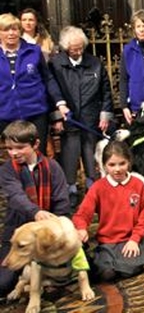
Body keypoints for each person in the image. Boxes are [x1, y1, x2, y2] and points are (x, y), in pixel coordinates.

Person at [0, 120, 70, 295]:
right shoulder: (7, 170)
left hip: (47, 234)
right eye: (9, 148)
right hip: (18, 231)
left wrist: (57, 228)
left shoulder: (53, 167)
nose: (13, 153)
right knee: (3, 284)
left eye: (20, 147)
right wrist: (36, 212)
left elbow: (62, 204)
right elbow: (16, 196)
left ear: (36, 144)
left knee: (70, 273)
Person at [49, 26, 113, 205]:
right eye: (73, 49)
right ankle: (70, 188)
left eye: (80, 48)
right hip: (68, 118)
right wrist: (56, 118)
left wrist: (104, 115)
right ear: (65, 47)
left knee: (90, 151)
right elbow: (51, 92)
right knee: (70, 152)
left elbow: (106, 91)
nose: (77, 52)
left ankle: (93, 186)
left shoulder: (95, 63)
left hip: (91, 118)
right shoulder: (55, 64)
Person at [72, 140, 144, 282]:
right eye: (112, 165)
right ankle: (103, 260)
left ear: (129, 162)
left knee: (129, 270)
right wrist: (81, 228)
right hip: (107, 242)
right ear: (104, 166)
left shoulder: (138, 185)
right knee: (106, 274)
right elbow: (83, 213)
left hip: (130, 239)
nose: (117, 169)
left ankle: (119, 263)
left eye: (122, 163)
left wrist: (135, 239)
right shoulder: (98, 187)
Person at [0, 13, 68, 155]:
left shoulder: (34, 51)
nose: (11, 33)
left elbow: (48, 78)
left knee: (37, 155)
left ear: (20, 31)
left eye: (15, 29)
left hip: (35, 112)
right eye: (6, 30)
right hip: (6, 114)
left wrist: (60, 103)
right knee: (15, 156)